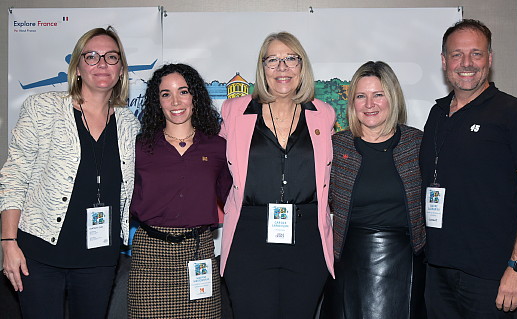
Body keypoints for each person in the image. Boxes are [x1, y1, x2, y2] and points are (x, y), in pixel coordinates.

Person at [0, 26, 139, 318]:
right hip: (38, 256)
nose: (102, 64)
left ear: (121, 69)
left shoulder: (130, 124)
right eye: (92, 56)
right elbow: (14, 177)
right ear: (77, 68)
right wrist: (8, 242)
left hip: (99, 258)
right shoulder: (42, 108)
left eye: (111, 57)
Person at [420, 19, 517, 318]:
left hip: (493, 275)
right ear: (445, 61)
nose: (466, 63)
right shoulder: (437, 114)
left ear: (490, 58)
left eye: (476, 53)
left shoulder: (516, 115)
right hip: (438, 271)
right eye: (457, 54)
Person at [219, 31, 336, 319]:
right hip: (249, 237)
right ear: (262, 68)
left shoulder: (323, 113)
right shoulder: (235, 111)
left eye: (290, 59)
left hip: (308, 238)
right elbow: (214, 167)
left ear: (302, 65)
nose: (282, 68)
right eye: (272, 60)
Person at [320, 61, 426, 319]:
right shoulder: (334, 147)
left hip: (405, 263)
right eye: (361, 96)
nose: (369, 104)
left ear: (393, 98)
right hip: (348, 261)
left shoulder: (417, 143)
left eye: (378, 94)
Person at [128, 63, 232, 319]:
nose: (175, 101)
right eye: (166, 94)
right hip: (150, 257)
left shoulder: (218, 147)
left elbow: (233, 199)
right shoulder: (139, 147)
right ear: (157, 101)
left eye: (183, 91)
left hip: (199, 253)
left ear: (195, 96)